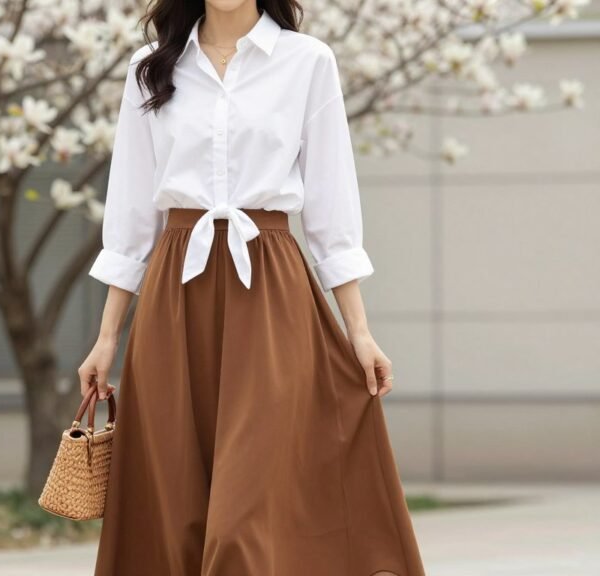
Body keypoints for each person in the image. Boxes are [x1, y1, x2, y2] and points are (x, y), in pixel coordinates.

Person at [79, 1, 426, 574]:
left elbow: (332, 208)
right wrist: (106, 337)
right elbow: (131, 213)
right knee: (177, 503)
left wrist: (359, 331)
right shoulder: (151, 66)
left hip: (271, 289)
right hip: (175, 292)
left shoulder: (307, 61)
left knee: (248, 512)